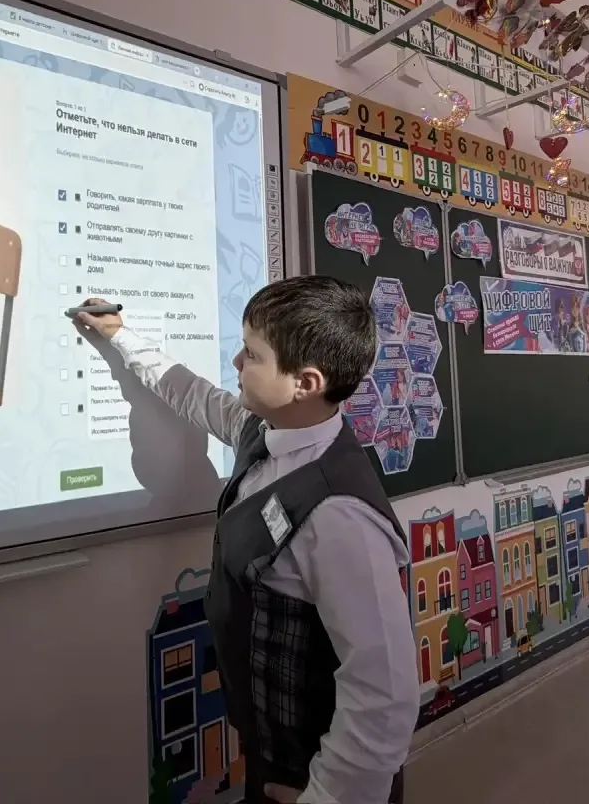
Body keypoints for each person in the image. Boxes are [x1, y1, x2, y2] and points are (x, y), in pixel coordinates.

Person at [77, 277, 418, 804]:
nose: (236, 362)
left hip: (319, 778)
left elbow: (385, 693)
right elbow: (191, 393)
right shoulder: (263, 432)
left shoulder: (339, 516)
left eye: (252, 354)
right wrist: (119, 336)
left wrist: (324, 797)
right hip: (272, 755)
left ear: (304, 383)